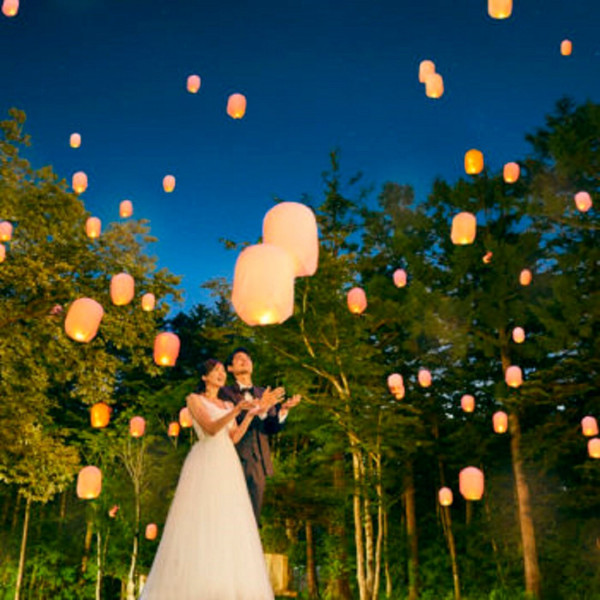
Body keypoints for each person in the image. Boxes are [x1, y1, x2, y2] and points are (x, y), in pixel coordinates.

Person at [139, 359, 275, 600]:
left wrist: (250, 415)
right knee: (200, 521)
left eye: (223, 371)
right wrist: (235, 410)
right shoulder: (194, 399)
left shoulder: (225, 401)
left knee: (227, 522)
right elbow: (211, 429)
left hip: (227, 463)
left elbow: (233, 437)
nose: (221, 375)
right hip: (205, 460)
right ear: (205, 377)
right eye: (216, 371)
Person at [220, 347, 301, 523]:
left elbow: (271, 428)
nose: (245, 360)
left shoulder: (263, 393)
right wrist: (259, 408)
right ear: (230, 368)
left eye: (248, 358)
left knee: (253, 515)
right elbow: (229, 422)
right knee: (230, 513)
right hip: (232, 457)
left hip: (258, 462)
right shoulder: (224, 393)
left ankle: (248, 550)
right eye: (239, 358)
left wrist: (283, 410)